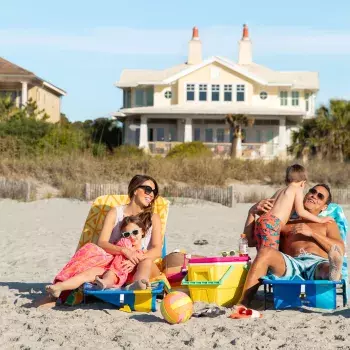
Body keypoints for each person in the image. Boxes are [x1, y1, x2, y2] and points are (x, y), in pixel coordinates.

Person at [46, 174, 162, 300]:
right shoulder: (115, 213)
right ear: (135, 190)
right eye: (148, 190)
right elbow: (102, 243)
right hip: (117, 265)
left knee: (146, 262)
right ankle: (60, 287)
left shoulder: (153, 218)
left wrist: (136, 258)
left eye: (154, 192)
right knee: (92, 268)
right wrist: (125, 251)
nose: (151, 194)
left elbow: (157, 249)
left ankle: (138, 285)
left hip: (142, 266)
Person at [239, 184, 344, 307]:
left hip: (316, 263)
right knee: (265, 252)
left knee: (325, 267)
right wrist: (251, 213)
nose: (314, 196)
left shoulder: (327, 224)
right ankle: (243, 303)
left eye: (320, 196)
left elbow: (339, 249)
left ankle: (332, 272)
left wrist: (312, 233)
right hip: (291, 263)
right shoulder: (285, 222)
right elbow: (250, 241)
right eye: (312, 191)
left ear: (324, 207)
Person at [254, 164, 334, 250]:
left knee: (261, 250)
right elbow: (301, 212)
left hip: (261, 220)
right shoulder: (297, 190)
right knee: (270, 252)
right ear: (303, 182)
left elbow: (268, 206)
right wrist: (320, 220)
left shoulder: (280, 191)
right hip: (273, 223)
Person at [95, 215, 152, 290]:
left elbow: (148, 258)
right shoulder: (122, 246)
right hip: (120, 273)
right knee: (112, 271)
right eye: (127, 234)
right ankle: (105, 283)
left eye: (135, 232)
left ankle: (140, 283)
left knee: (146, 262)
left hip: (135, 275)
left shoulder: (144, 251)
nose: (132, 237)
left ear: (142, 231)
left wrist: (135, 262)